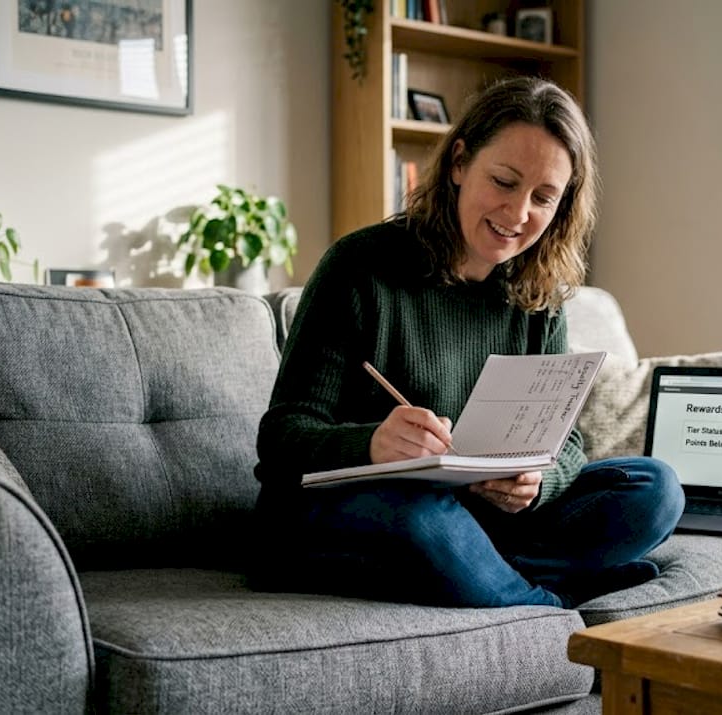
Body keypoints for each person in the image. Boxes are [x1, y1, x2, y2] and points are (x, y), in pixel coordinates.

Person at [252, 77, 684, 609]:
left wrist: (536, 482)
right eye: (503, 182)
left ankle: (486, 575)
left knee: (655, 487)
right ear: (459, 164)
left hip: (479, 520)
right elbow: (280, 440)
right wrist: (372, 444)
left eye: (543, 198)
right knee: (424, 518)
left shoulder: (538, 293)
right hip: (356, 514)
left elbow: (566, 444)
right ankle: (544, 609)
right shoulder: (359, 268)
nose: (518, 213)